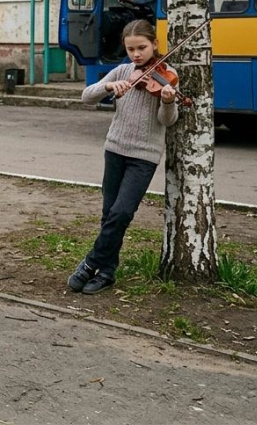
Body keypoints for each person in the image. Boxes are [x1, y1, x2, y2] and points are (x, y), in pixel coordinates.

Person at [68, 20, 177, 295]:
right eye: (131, 49)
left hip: (144, 156)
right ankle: (106, 272)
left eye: (142, 47)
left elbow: (168, 121)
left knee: (121, 213)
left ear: (154, 44)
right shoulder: (122, 71)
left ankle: (90, 262)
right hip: (115, 149)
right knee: (108, 214)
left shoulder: (167, 75)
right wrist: (109, 87)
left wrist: (167, 100)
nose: (136, 54)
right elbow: (85, 97)